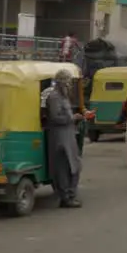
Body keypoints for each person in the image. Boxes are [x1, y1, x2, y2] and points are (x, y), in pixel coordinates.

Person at [45, 70, 84, 208]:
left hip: (69, 135)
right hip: (60, 137)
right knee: (63, 168)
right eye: (67, 81)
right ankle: (66, 197)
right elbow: (55, 117)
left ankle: (69, 195)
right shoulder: (54, 97)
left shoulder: (64, 97)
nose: (68, 85)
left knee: (75, 166)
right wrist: (73, 118)